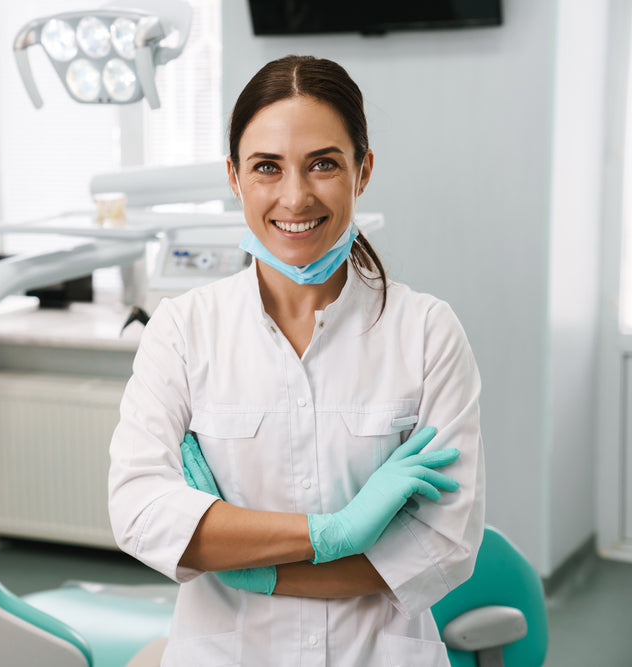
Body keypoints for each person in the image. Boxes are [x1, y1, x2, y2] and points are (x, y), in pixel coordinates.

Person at [108, 55, 484, 666]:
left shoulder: (426, 333)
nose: (295, 196)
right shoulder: (182, 331)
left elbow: (443, 545)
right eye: (266, 167)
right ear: (234, 176)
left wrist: (246, 564)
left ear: (363, 170)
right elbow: (141, 513)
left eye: (324, 164)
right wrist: (333, 535)